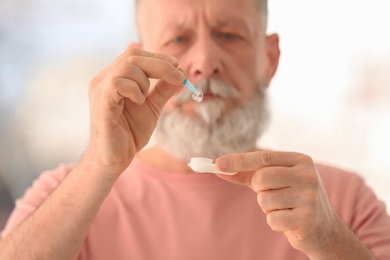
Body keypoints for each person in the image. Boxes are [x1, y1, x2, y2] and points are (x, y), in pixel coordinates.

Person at [1, 0, 390, 258]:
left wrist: (330, 241)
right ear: (138, 61)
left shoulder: (343, 202)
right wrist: (100, 165)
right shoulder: (69, 194)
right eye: (179, 39)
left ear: (269, 59)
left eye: (230, 35)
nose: (204, 62)